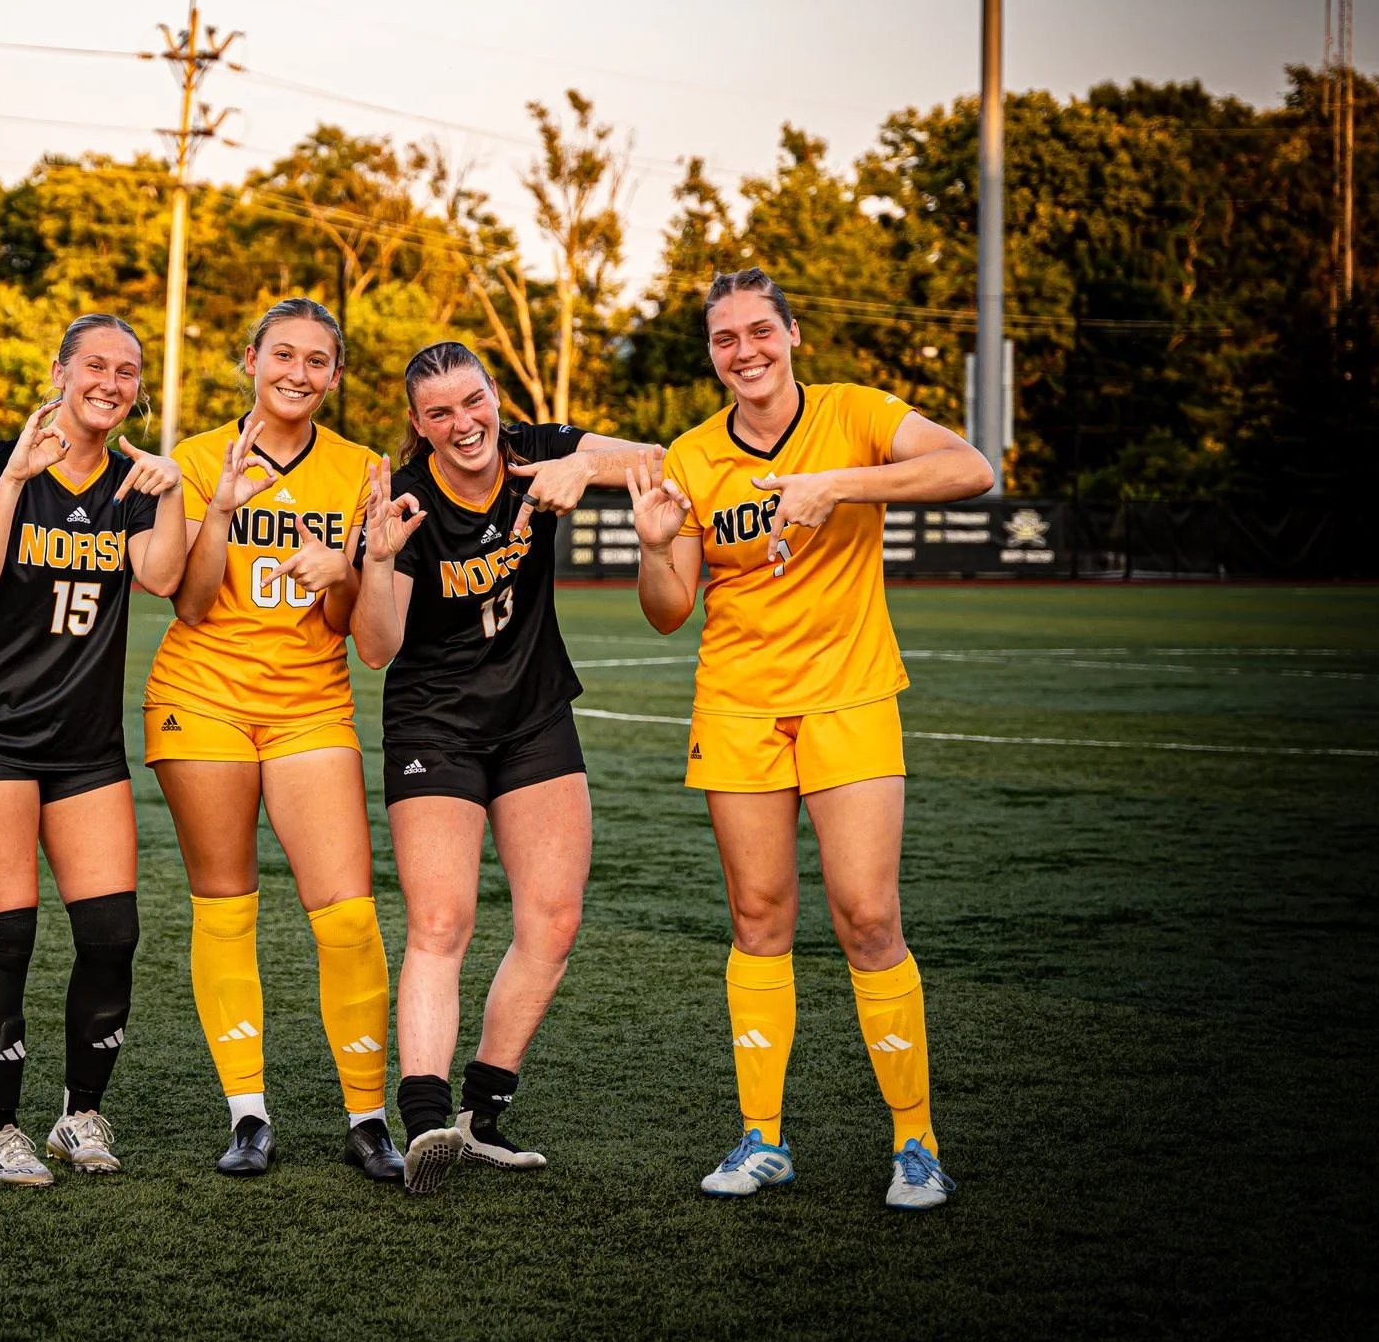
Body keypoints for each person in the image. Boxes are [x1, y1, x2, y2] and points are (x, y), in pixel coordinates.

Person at [628, 267, 992, 1211]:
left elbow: (972, 467)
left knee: (868, 916)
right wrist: (656, 542)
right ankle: (763, 1140)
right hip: (740, 703)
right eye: (724, 339)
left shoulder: (853, 410)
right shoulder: (693, 454)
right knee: (758, 919)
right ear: (711, 355)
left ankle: (917, 1145)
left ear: (793, 335)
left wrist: (841, 484)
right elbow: (669, 612)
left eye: (759, 331)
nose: (744, 351)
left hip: (850, 695)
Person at [349, 340, 659, 1195]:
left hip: (533, 719)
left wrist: (584, 465)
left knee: (553, 921)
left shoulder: (537, 449)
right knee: (442, 920)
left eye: (473, 400)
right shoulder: (405, 501)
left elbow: (663, 460)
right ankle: (422, 1124)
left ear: (495, 396)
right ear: (418, 426)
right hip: (435, 726)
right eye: (440, 412)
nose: (464, 423)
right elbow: (376, 649)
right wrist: (377, 559)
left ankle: (480, 1115)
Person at [140, 299, 403, 1182]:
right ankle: (247, 1113)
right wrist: (218, 506)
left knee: (349, 913)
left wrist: (350, 566)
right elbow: (188, 599)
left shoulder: (364, 466)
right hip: (201, 695)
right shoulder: (196, 456)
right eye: (281, 354)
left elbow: (356, 633)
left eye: (317, 360)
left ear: (335, 374)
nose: (297, 371)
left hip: (309, 705)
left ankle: (367, 1116)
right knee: (227, 902)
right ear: (250, 358)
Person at [0, 313, 188, 1186]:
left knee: (112, 933)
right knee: (9, 934)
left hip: (81, 745)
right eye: (96, 366)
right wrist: (13, 478)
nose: (111, 382)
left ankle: (80, 1115)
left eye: (128, 371)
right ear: (61, 372)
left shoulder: (135, 482)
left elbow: (159, 576)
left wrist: (176, 488)